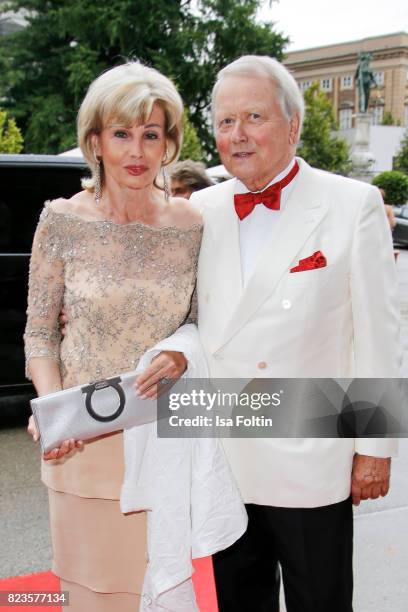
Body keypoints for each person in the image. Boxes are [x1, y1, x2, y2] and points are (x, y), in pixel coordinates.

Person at [190, 55, 401, 612]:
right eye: (225, 120)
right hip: (223, 454)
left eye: (254, 116)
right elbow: (184, 325)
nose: (237, 135)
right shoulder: (199, 209)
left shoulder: (350, 205)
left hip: (310, 455)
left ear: (293, 125)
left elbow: (379, 335)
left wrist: (374, 449)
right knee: (237, 602)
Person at [25, 61, 202, 611]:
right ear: (95, 141)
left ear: (169, 142)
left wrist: (181, 351)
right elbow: (39, 336)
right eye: (122, 134)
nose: (137, 150)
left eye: (151, 134)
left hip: (167, 444)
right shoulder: (61, 220)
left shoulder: (192, 225)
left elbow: (205, 324)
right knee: (92, 596)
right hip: (83, 444)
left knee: (166, 592)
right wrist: (54, 411)